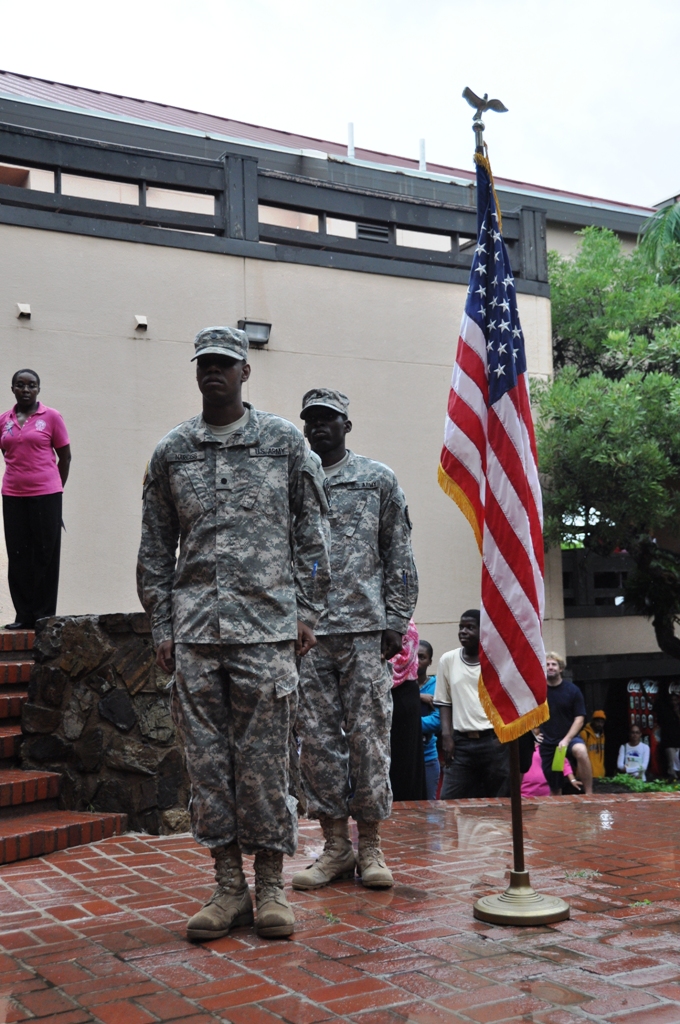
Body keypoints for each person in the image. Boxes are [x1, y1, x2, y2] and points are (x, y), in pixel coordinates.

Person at [137, 327, 330, 942]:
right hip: (195, 636)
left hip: (266, 632)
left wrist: (307, 612)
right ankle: (228, 887)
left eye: (224, 363)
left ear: (246, 371)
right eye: (204, 364)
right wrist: (163, 623)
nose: (212, 372)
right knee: (208, 767)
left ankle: (272, 884)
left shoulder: (283, 443)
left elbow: (314, 535)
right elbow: (154, 546)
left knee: (268, 763)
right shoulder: (173, 451)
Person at [293, 388, 417, 892]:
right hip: (308, 634)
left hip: (366, 632)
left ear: (347, 424)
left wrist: (397, 618)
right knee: (319, 745)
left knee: (369, 740)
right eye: (312, 421)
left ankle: (370, 846)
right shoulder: (293, 479)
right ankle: (335, 847)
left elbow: (399, 552)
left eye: (329, 420)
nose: (319, 428)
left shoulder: (377, 479)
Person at [0, 369, 71, 629]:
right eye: (20, 385)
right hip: (13, 496)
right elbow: (8, 453)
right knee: (18, 555)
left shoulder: (51, 417)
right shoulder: (4, 420)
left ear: (38, 389)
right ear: (13, 389)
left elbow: (65, 457)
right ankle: (23, 615)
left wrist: (55, 488)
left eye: (31, 385)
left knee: (45, 555)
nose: (26, 389)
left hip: (47, 496)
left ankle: (43, 616)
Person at [434, 610, 510, 800]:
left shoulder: (497, 661)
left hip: (493, 741)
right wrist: (446, 736)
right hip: (461, 743)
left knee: (496, 803)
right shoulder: (448, 660)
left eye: (470, 627)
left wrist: (503, 737)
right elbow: (445, 701)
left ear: (482, 631)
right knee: (448, 800)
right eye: (461, 627)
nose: (463, 632)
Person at [535, 653, 592, 795]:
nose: (550, 667)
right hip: (549, 743)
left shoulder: (572, 690)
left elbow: (579, 718)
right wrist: (534, 734)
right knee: (555, 789)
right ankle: (559, 812)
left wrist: (566, 740)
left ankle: (590, 796)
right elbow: (530, 716)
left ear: (560, 669)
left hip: (569, 739)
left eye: (553, 664)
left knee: (581, 751)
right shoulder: (539, 692)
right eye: (547, 664)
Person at [389, 619, 426, 802]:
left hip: (402, 697)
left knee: (404, 764)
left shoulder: (404, 623)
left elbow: (401, 659)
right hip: (374, 695)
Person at [417, 640, 441, 800]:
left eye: (422, 657)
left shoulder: (436, 685)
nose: (417, 661)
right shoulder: (397, 684)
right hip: (401, 757)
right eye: (414, 657)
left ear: (430, 661)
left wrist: (409, 725)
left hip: (428, 757)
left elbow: (436, 721)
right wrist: (417, 697)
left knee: (429, 808)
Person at [580, 710, 607, 779]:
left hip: (600, 774)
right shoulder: (585, 734)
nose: (599, 724)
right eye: (597, 721)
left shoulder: (602, 736)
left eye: (602, 722)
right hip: (587, 774)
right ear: (593, 721)